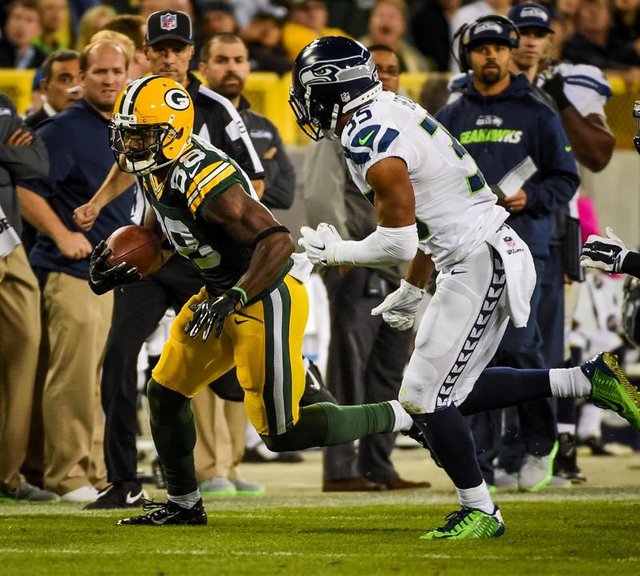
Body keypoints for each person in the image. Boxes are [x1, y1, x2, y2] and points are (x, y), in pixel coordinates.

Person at [292, 36, 640, 539]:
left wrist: (337, 252)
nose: (304, 104)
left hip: (480, 259)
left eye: (308, 91)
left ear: (333, 89)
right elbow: (433, 218)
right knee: (449, 391)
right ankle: (585, 381)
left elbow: (398, 239)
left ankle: (482, 510)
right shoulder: (385, 108)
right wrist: (412, 293)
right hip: (470, 253)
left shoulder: (369, 135)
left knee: (424, 396)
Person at [87, 74, 416, 526]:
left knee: (284, 434)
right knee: (164, 393)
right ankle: (184, 504)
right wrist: (124, 263)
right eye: (128, 133)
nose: (132, 144)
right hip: (220, 294)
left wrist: (237, 294)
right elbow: (161, 237)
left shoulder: (205, 178)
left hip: (266, 295)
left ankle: (403, 416)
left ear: (174, 132)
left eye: (143, 134)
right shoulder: (156, 169)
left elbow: (277, 241)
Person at [72, 9, 267, 509]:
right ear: (145, 52)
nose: (167, 56)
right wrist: (97, 203)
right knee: (118, 357)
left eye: (176, 48)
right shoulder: (137, 98)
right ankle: (124, 479)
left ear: (190, 52)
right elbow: (126, 159)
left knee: (227, 379)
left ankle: (299, 392)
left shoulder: (217, 107)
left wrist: (220, 229)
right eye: (158, 48)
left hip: (203, 259)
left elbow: (255, 182)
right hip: (152, 250)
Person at [436, 15, 580, 492]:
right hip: (467, 252)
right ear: (469, 55)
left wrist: (529, 198)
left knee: (521, 349)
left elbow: (565, 177)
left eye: (500, 47)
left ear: (511, 52)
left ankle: (537, 445)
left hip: (523, 250)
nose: (491, 55)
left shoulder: (538, 111)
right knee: (468, 356)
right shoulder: (452, 116)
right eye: (482, 48)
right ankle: (483, 456)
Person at [302, 44, 430, 492]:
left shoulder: (400, 125)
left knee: (391, 371)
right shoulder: (337, 129)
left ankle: (378, 465)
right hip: (359, 263)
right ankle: (341, 468)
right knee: (349, 370)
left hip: (403, 269)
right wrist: (339, 254)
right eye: (381, 70)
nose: (388, 77)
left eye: (394, 70)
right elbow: (321, 193)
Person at [16, 40, 133, 503]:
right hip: (72, 273)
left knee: (102, 380)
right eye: (99, 71)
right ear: (82, 77)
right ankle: (67, 475)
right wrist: (62, 235)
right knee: (74, 379)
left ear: (129, 73)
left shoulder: (127, 129)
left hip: (114, 273)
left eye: (116, 71)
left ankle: (95, 469)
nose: (108, 79)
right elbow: (25, 190)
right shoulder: (62, 129)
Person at [508, 1, 616, 483]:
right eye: (520, 32)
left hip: (552, 230)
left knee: (545, 346)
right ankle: (498, 453)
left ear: (551, 38)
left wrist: (556, 97)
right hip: (486, 228)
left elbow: (597, 155)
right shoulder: (477, 88)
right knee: (492, 348)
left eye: (537, 33)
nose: (528, 41)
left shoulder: (572, 81)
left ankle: (544, 447)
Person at [0, 91, 56, 502]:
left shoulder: (2, 102)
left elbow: (37, 163)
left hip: (8, 239)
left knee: (24, 347)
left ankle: (8, 474)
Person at [0, 0, 47, 69]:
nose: (21, 25)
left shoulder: (45, 62)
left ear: (40, 29)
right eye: (17, 17)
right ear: (6, 23)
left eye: (29, 20)